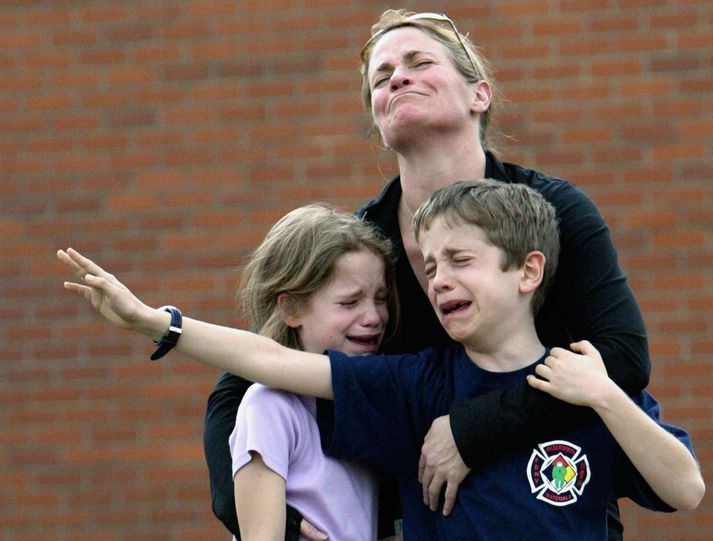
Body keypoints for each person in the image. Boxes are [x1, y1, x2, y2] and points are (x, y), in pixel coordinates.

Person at [204, 9, 653, 539]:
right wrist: (258, 512)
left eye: (419, 62)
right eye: (382, 75)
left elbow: (622, 358)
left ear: (478, 95)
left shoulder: (553, 211)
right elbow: (243, 385)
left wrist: (471, 430)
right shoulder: (358, 246)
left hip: (552, 512)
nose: (397, 76)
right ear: (377, 118)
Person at [57, 180, 704, 541]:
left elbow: (685, 489)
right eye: (428, 266)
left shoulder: (581, 385)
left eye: (460, 260)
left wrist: (603, 394)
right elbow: (270, 359)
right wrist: (155, 321)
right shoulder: (413, 384)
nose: (439, 279)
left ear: (527, 270)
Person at [61, 203, 401, 541]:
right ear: (292, 308)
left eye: (381, 298)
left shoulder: (365, 408)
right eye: (350, 302)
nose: (373, 317)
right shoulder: (268, 406)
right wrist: (148, 320)